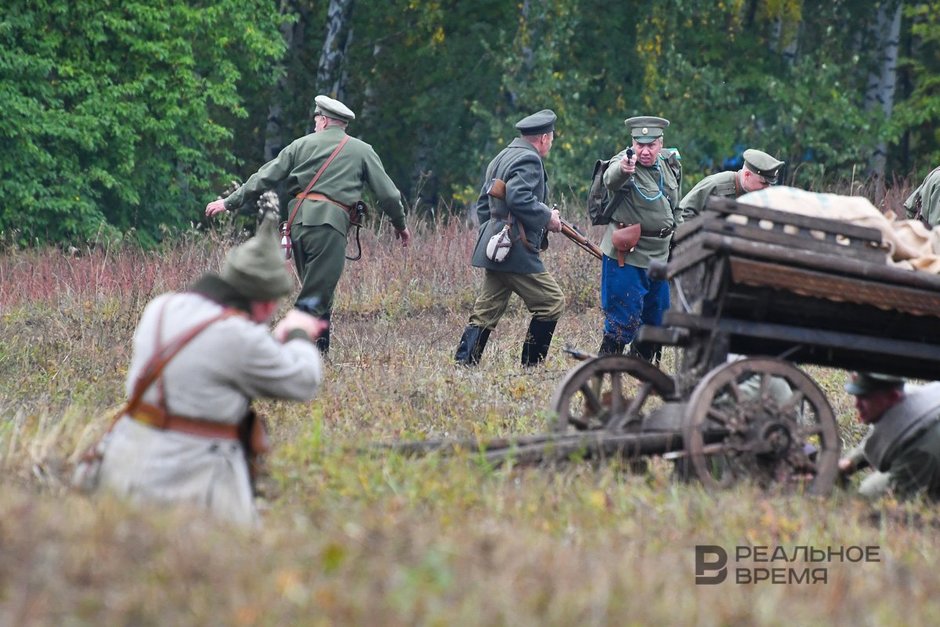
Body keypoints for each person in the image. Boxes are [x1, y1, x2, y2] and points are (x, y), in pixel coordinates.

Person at [95, 214, 328, 527]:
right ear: (266, 304)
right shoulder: (239, 336)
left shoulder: (161, 306)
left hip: (125, 468)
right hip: (193, 485)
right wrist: (298, 332)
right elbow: (304, 381)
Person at [205, 95, 412, 353]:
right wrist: (399, 223)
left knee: (318, 290)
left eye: (316, 120)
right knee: (316, 295)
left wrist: (230, 202)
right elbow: (390, 195)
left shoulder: (299, 145)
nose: (315, 125)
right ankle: (273, 351)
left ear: (324, 121)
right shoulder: (361, 150)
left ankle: (317, 355)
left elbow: (265, 176)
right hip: (329, 227)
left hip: (297, 226)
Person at [454, 109, 565, 367]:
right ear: (544, 138)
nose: (551, 142)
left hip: (496, 247)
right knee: (551, 303)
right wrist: (548, 217)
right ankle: (531, 367)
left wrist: (493, 234)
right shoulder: (530, 159)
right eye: (552, 138)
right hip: (515, 249)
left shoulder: (502, 156)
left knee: (486, 311)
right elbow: (519, 198)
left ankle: (463, 366)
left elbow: (484, 204)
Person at [597, 116, 682, 359]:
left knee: (657, 318)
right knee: (623, 318)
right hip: (628, 255)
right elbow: (611, 178)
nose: (644, 151)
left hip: (660, 256)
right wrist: (624, 168)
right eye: (639, 144)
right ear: (632, 143)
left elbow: (676, 207)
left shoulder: (670, 164)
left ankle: (641, 370)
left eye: (651, 145)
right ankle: (604, 368)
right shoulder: (624, 163)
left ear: (660, 143)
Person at [838, 372, 940, 501]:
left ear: (893, 396)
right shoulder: (906, 401)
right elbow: (886, 432)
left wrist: (834, 483)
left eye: (865, 397)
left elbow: (868, 500)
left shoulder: (919, 453)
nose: (856, 405)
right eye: (857, 396)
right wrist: (851, 461)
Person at [678, 149, 785, 221]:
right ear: (747, 175)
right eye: (763, 183)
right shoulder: (717, 185)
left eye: (770, 184)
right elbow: (683, 213)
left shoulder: (755, 196)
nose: (767, 188)